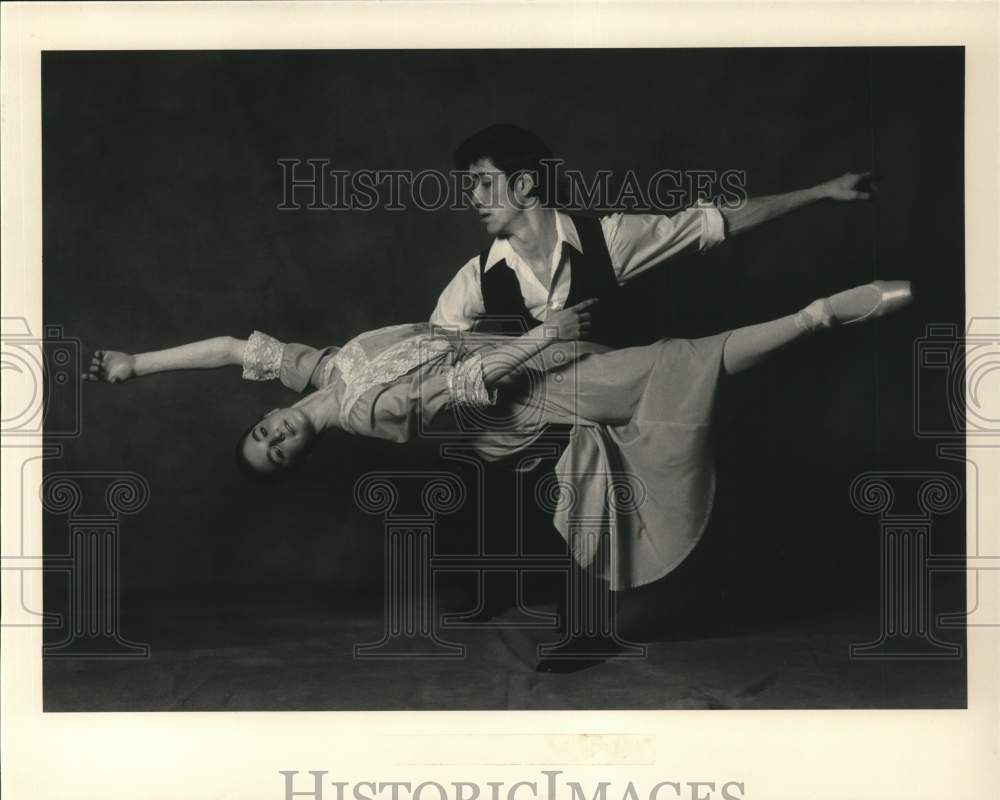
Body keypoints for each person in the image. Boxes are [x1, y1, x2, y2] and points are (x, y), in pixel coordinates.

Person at [84, 280, 912, 600]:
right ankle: (814, 316)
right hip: (527, 397)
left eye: (260, 432)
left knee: (655, 369)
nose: (273, 432)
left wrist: (135, 362)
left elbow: (231, 346)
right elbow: (464, 387)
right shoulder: (371, 415)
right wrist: (543, 332)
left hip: (514, 362)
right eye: (278, 450)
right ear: (301, 456)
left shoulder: (321, 373)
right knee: (672, 365)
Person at [432, 123, 877, 345]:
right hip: (535, 460)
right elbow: (431, 356)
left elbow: (714, 223)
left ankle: (814, 316)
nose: (472, 196)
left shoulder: (612, 241)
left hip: (632, 435)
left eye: (483, 181)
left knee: (685, 363)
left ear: (525, 184)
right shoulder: (477, 279)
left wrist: (820, 192)